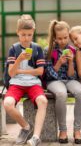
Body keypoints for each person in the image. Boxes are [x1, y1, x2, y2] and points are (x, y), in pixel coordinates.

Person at [3, 14, 48, 146]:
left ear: (33, 33)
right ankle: (26, 127)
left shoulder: (37, 48)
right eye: (23, 34)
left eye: (29, 34)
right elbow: (11, 73)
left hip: (33, 83)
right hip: (16, 83)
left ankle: (36, 137)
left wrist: (21, 71)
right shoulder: (14, 49)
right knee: (7, 103)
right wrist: (19, 59)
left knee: (42, 101)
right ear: (18, 33)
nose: (26, 38)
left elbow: (40, 71)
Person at [44, 20, 81, 144]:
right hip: (54, 81)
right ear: (55, 37)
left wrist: (69, 62)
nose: (63, 41)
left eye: (65, 37)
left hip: (69, 79)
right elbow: (48, 74)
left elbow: (72, 75)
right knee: (61, 94)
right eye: (59, 38)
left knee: (80, 93)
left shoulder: (73, 50)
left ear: (69, 35)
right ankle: (62, 130)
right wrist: (59, 63)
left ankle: (77, 130)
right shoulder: (48, 50)